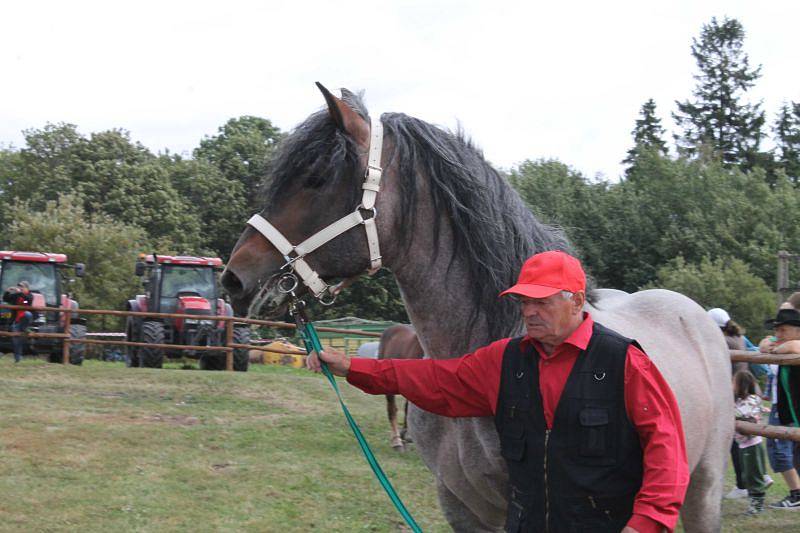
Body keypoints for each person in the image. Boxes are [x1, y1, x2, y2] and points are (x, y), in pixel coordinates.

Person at [308, 250, 689, 533]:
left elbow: (666, 448)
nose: (529, 312)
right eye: (524, 302)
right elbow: (436, 381)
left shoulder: (625, 362)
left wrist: (648, 523)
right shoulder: (504, 360)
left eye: (541, 301)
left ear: (574, 299)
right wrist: (353, 367)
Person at [707, 307, 766, 500]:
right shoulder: (738, 338)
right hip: (747, 392)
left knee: (737, 440)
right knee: (749, 437)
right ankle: (756, 478)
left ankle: (744, 484)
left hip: (736, 394)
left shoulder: (721, 341)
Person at [760, 307, 800, 509]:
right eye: (777, 330)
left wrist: (775, 348)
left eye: (783, 330)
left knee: (783, 450)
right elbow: (763, 344)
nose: (778, 335)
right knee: (787, 450)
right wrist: (772, 345)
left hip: (791, 408)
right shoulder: (783, 344)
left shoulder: (795, 345)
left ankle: (797, 494)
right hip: (784, 406)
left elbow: (794, 347)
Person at [732, 369, 772, 515]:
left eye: (734, 383)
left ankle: (757, 505)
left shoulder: (750, 400)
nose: (732, 386)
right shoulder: (741, 400)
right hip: (744, 444)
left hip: (751, 444)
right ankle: (764, 478)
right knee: (748, 474)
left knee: (752, 476)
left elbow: (742, 414)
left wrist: (729, 412)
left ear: (741, 385)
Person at [2, 281, 34, 363]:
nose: (20, 288)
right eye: (19, 287)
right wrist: (7, 291)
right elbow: (5, 299)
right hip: (16, 321)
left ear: (27, 288)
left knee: (27, 314)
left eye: (22, 287)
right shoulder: (16, 295)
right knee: (16, 341)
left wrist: (20, 293)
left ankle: (25, 328)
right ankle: (18, 360)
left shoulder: (30, 296)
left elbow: (27, 302)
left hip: (25, 320)